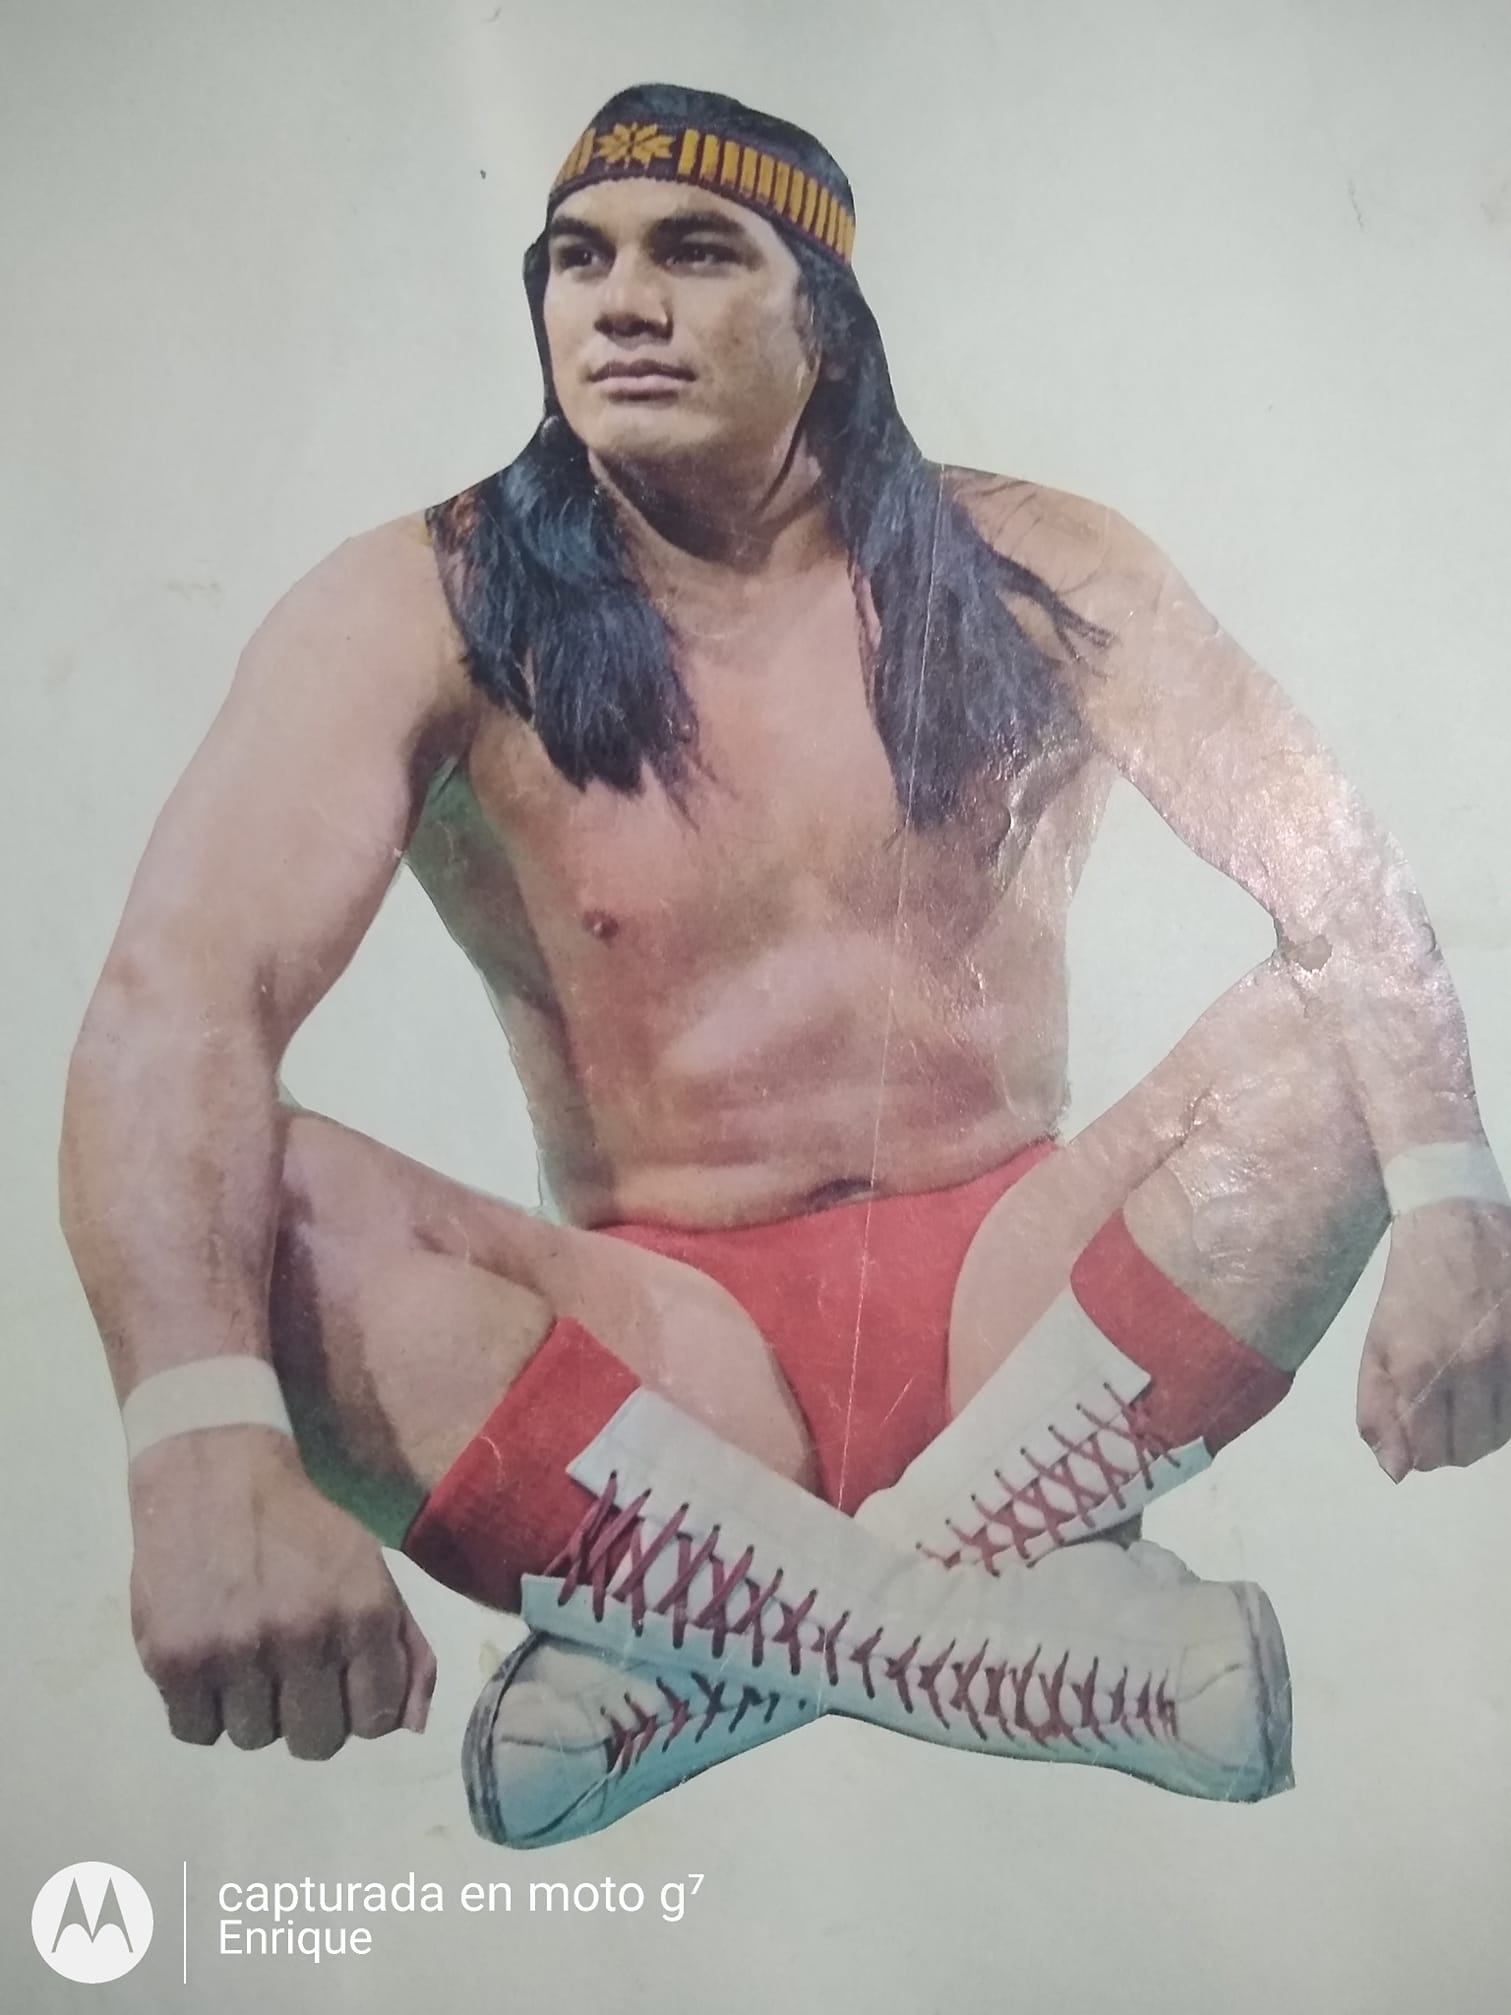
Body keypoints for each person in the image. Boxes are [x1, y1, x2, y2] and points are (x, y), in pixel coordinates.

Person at [60, 83, 1511, 1848]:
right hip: (663, 1379)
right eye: (578, 259)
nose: (622, 303)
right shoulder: (423, 601)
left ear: (823, 314)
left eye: (695, 252)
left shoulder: (1030, 559)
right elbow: (179, 1001)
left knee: (1352, 1036)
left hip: (1031, 1326)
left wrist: (1454, 1205)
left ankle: (717, 1653)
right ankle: (1003, 1637)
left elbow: (1344, 885)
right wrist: (196, 1440)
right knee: (245, 1194)